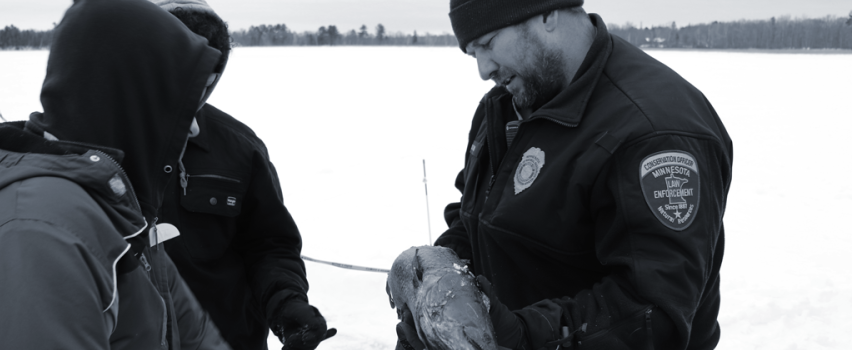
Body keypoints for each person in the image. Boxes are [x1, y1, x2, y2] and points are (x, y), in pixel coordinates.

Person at [397, 1, 732, 349]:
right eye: (472, 53)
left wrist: (520, 336)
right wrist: (437, 288)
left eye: (489, 42)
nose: (483, 69)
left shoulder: (653, 132)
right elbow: (476, 217)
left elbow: (654, 315)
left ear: (546, 12)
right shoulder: (505, 105)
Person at [0, 0, 231, 348]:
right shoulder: (37, 235)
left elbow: (194, 334)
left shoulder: (114, 210)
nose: (192, 127)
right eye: (177, 106)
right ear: (126, 101)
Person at [149, 1, 335, 349]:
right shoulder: (97, 145)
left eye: (206, 83)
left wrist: (284, 301)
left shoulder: (239, 148)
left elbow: (269, 244)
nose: (194, 96)